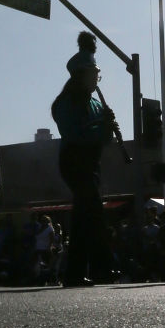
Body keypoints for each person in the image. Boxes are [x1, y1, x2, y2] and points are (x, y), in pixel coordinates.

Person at [50, 32, 118, 287]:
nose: (96, 79)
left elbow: (103, 139)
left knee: (86, 213)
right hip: (74, 160)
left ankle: (80, 271)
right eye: (93, 74)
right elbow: (74, 133)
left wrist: (109, 127)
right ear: (81, 75)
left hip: (91, 163)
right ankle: (94, 268)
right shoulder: (65, 103)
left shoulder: (97, 105)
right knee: (91, 211)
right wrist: (101, 128)